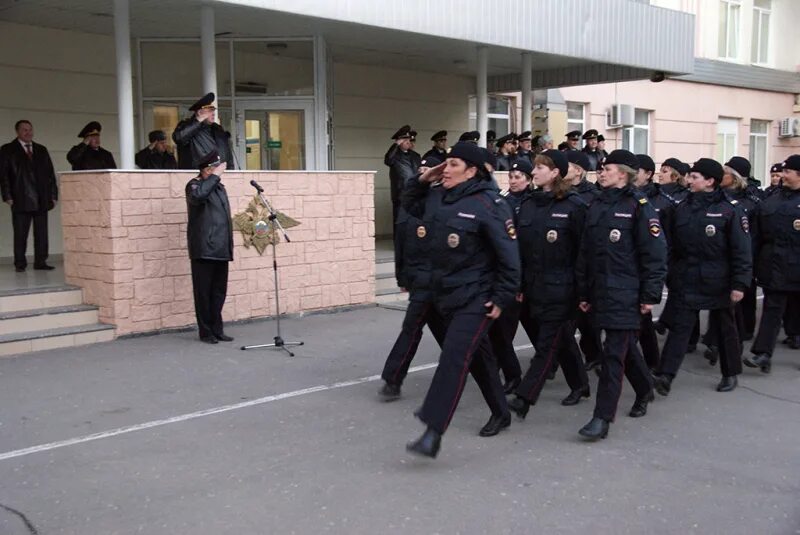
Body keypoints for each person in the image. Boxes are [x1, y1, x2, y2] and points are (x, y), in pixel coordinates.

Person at [403, 142, 520, 458]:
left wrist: (500, 297)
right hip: (445, 295)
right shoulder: (440, 196)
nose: (446, 169)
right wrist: (425, 179)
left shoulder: (490, 204)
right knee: (477, 358)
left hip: (477, 298)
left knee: (453, 357)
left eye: (453, 164)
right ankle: (501, 411)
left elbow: (509, 258)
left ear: (472, 171)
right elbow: (409, 203)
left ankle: (433, 431)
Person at [575, 149, 667, 440]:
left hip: (627, 292)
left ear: (624, 174)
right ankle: (644, 388)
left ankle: (601, 419)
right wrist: (584, 290)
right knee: (624, 349)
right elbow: (585, 254)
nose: (601, 172)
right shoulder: (596, 204)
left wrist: (649, 295)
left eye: (608, 168)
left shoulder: (639, 206)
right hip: (601, 290)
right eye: (601, 168)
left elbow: (654, 255)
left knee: (613, 354)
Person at [653, 158, 752, 396]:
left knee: (725, 328)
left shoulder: (731, 210)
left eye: (695, 177)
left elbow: (741, 250)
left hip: (719, 279)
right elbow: (671, 245)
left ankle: (730, 373)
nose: (689, 180)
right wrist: (671, 272)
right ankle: (665, 375)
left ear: (710, 181)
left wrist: (740, 283)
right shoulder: (681, 207)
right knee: (681, 327)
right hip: (688, 277)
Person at [507, 150, 591, 418]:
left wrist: (583, 291)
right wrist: (519, 285)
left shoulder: (574, 206)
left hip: (563, 287)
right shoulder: (530, 204)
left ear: (555, 173)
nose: (534, 172)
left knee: (546, 345)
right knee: (561, 338)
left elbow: (584, 253)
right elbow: (520, 249)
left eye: (540, 168)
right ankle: (580, 384)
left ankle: (524, 397)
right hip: (535, 285)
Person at [379, 153, 447, 400]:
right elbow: (401, 244)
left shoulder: (446, 200)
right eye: (422, 169)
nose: (424, 173)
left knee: (451, 335)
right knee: (411, 329)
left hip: (443, 281)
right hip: (420, 281)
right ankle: (392, 379)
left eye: (429, 169)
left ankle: (481, 368)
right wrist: (402, 278)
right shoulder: (410, 205)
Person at [745, 154, 800, 373]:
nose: (782, 176)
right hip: (775, 265)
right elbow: (758, 234)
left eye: (787, 172)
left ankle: (794, 335)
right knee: (772, 309)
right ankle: (763, 354)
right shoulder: (773, 198)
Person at [634, 153, 679, 370]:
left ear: (648, 175)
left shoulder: (664, 203)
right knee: (641, 316)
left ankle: (643, 361)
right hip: (630, 265)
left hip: (651, 266)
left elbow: (669, 240)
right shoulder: (626, 197)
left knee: (638, 313)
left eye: (637, 171)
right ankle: (651, 360)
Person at [185, 150, 234, 344]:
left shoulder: (218, 187)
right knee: (203, 293)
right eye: (215, 169)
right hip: (204, 249)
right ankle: (206, 332)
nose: (219, 173)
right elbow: (198, 198)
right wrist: (214, 177)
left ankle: (217, 329)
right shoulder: (194, 185)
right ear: (207, 170)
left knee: (218, 292)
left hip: (221, 248)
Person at [0, 120, 58, 271]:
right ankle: (20, 263)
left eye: (30, 130)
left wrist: (53, 195)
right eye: (24, 130)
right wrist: (7, 196)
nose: (28, 133)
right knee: (20, 234)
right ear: (17, 132)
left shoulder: (41, 149)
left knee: (41, 234)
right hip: (20, 197)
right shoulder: (7, 150)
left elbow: (50, 175)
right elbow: (4, 175)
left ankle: (41, 262)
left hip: (41, 198)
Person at [564, 150, 603, 370]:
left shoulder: (593, 196)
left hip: (585, 263)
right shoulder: (561, 192)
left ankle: (594, 354)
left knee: (587, 317)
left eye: (567, 166)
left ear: (578, 170)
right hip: (565, 261)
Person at [173, 92, 234, 169]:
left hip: (220, 174)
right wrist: (198, 121)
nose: (213, 114)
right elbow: (179, 138)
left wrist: (231, 171)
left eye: (213, 110)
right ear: (199, 112)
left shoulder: (217, 129)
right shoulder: (186, 126)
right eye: (209, 111)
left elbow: (227, 154)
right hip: (198, 175)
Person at [383, 125, 421, 236]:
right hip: (400, 193)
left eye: (409, 139)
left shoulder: (415, 156)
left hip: (414, 193)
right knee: (399, 220)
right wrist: (395, 145)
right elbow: (388, 160)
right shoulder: (394, 156)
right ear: (400, 141)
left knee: (413, 220)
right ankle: (398, 243)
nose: (408, 142)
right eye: (405, 140)